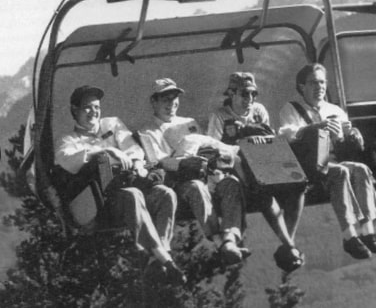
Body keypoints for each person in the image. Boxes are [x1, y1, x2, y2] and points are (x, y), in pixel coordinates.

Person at [55, 85, 185, 284]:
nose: (93, 112)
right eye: (87, 108)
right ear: (74, 110)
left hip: (133, 184)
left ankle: (157, 256)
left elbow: (133, 148)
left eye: (96, 107)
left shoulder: (112, 124)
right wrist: (104, 152)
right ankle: (165, 259)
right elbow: (66, 160)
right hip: (108, 202)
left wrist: (135, 163)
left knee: (165, 193)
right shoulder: (69, 140)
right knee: (131, 194)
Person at [278, 63, 376, 259]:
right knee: (341, 173)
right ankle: (349, 236)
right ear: (302, 86)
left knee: (361, 169)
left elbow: (344, 140)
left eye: (322, 82)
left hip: (334, 159)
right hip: (309, 165)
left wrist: (351, 134)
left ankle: (368, 232)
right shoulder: (291, 108)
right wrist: (316, 127)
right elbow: (288, 134)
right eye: (313, 83)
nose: (319, 87)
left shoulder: (334, 109)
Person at [137, 78, 249, 267]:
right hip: (179, 181)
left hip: (208, 171)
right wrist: (185, 163)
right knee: (196, 187)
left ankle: (231, 238)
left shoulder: (189, 123)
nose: (171, 104)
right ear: (154, 102)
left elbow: (206, 144)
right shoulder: (148, 132)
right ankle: (219, 242)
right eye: (165, 99)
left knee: (231, 184)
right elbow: (159, 162)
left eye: (174, 98)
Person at [208, 72, 306, 273]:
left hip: (263, 160)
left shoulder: (258, 111)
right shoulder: (219, 116)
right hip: (237, 166)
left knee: (298, 184)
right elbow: (213, 147)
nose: (250, 100)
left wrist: (246, 129)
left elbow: (268, 135)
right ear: (232, 94)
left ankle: (289, 241)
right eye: (245, 94)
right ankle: (288, 245)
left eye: (254, 94)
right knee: (261, 189)